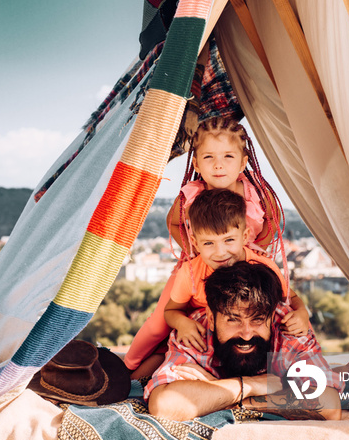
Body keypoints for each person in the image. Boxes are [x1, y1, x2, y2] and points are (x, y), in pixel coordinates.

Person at [124, 117, 304, 376]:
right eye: (209, 157)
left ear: (243, 162)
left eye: (228, 156)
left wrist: (253, 248)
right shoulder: (190, 194)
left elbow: (273, 221)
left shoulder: (256, 193)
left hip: (245, 266)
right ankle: (128, 366)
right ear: (196, 162)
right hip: (199, 266)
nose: (218, 165)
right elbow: (173, 222)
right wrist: (194, 250)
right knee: (158, 325)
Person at [146, 260, 343, 421]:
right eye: (233, 320)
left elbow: (329, 405)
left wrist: (222, 394)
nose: (247, 334)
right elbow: (164, 405)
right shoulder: (194, 332)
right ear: (212, 319)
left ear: (272, 316)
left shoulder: (289, 329)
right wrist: (252, 385)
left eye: (257, 320)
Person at [163, 188, 309, 352]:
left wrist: (302, 312)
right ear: (195, 243)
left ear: (245, 236)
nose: (220, 252)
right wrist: (183, 323)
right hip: (206, 333)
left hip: (251, 335)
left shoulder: (263, 266)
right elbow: (172, 310)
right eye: (208, 243)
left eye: (229, 240)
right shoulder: (190, 271)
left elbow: (290, 298)